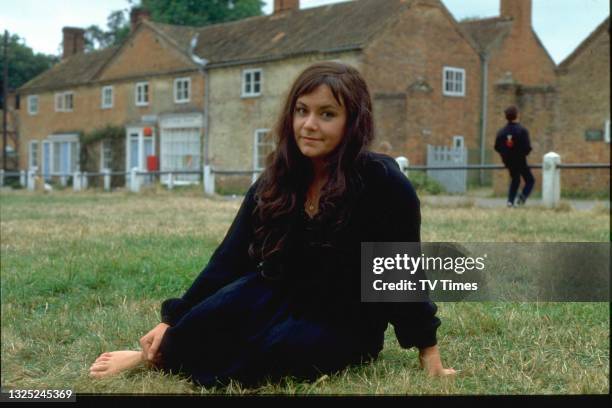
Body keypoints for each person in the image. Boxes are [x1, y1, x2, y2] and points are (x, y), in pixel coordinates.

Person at [89, 62, 455, 387]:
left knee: (277, 351)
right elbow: (228, 261)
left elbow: (401, 273)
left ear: (352, 123)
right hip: (276, 291)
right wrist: (174, 321)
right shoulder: (276, 179)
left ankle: (173, 357)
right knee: (212, 317)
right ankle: (149, 356)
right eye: (302, 111)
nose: (309, 125)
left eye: (327, 114)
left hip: (345, 316)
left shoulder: (382, 181)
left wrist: (429, 353)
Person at [494, 106, 535, 207]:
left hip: (508, 161)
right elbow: (527, 147)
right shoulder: (522, 131)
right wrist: (521, 154)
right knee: (530, 180)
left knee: (515, 179)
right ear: (517, 115)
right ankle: (522, 198)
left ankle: (510, 201)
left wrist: (505, 155)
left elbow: (497, 147)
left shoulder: (501, 132)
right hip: (520, 160)